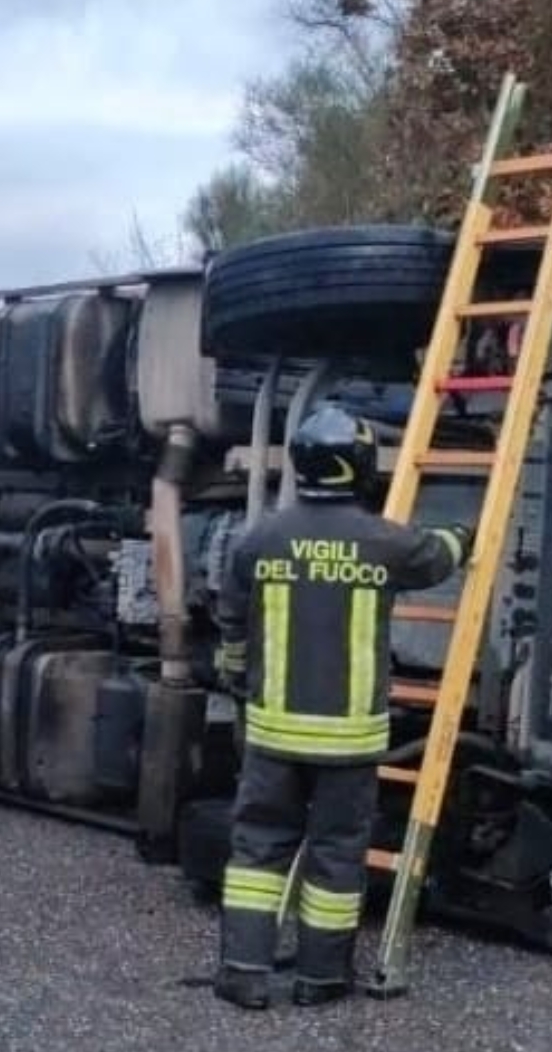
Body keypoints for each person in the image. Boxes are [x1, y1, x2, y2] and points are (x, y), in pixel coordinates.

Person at [210, 403, 473, 1009]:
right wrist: (465, 535)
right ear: (358, 467)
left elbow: (230, 625)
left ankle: (244, 972)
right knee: (335, 857)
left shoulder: (258, 539)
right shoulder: (382, 541)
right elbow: (436, 557)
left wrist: (235, 678)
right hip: (348, 744)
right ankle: (320, 979)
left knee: (257, 851)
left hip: (272, 736)